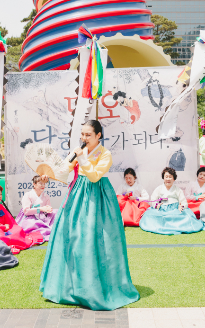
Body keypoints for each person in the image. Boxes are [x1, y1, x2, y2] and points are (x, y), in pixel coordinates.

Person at [40, 120, 139, 311]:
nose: (84, 138)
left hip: (98, 198)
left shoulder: (105, 154)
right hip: (77, 195)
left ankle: (95, 288)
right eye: (82, 134)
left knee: (95, 242)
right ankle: (69, 287)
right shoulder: (78, 150)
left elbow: (94, 176)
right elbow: (64, 170)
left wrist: (82, 157)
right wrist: (48, 175)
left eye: (88, 135)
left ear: (98, 136)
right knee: (70, 238)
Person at [140, 167, 205, 235]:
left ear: (174, 179)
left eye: (170, 177)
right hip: (161, 209)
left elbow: (184, 202)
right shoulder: (159, 189)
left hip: (175, 209)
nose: (168, 179)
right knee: (148, 215)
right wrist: (156, 205)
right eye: (166, 177)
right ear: (163, 178)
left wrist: (182, 206)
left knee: (187, 216)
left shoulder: (178, 190)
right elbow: (153, 199)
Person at [0, 184, 43, 253]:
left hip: (5, 229)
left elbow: (10, 219)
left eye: (1, 194)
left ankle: (10, 242)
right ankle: (9, 246)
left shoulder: (0, 206)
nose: (0, 196)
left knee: (17, 229)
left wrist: (12, 227)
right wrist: (3, 227)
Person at [16, 175, 57, 239]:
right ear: (34, 184)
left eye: (44, 184)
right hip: (30, 217)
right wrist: (41, 209)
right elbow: (26, 211)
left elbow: (48, 209)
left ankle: (48, 226)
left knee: (56, 212)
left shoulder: (46, 196)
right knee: (32, 224)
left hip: (43, 217)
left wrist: (48, 209)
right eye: (40, 183)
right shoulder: (28, 195)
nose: (43, 185)